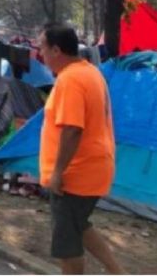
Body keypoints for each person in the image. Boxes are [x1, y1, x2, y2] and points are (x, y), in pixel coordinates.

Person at [36, 23, 123, 275]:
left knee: (67, 245)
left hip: (74, 176)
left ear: (55, 50)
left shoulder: (70, 80)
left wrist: (57, 173)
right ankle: (118, 272)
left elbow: (72, 129)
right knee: (80, 225)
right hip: (93, 168)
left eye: (42, 47)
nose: (39, 53)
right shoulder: (89, 71)